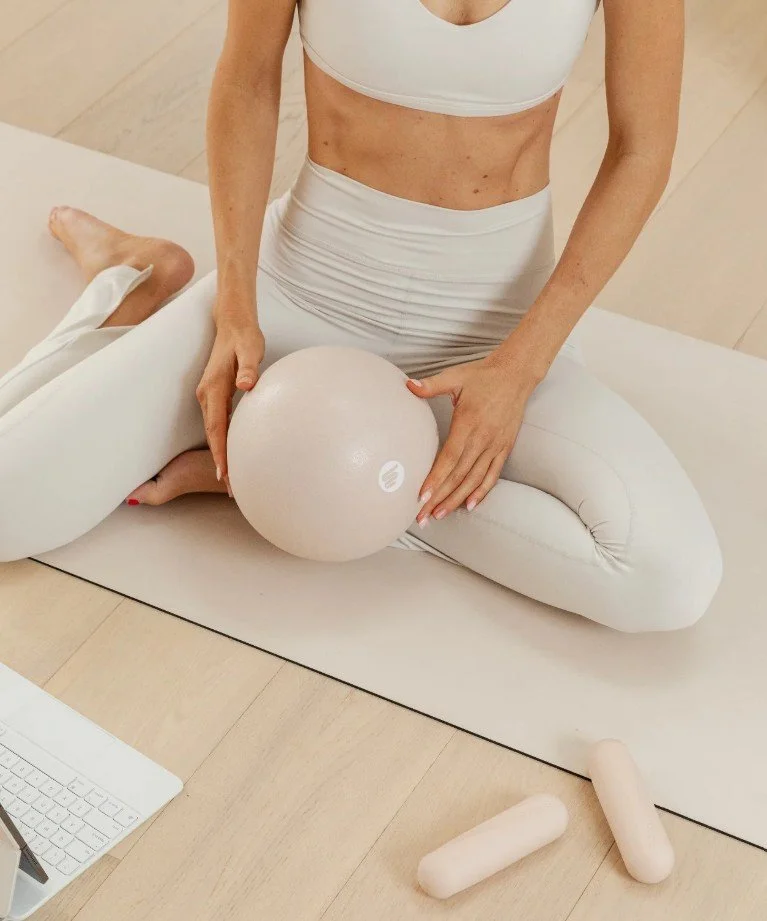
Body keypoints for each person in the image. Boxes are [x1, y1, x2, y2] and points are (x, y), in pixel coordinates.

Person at [0, 0, 723, 632]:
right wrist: (237, 308)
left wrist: (518, 367)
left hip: (490, 340)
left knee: (668, 578)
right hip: (298, 294)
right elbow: (247, 82)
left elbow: (642, 150)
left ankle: (273, 465)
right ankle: (136, 284)